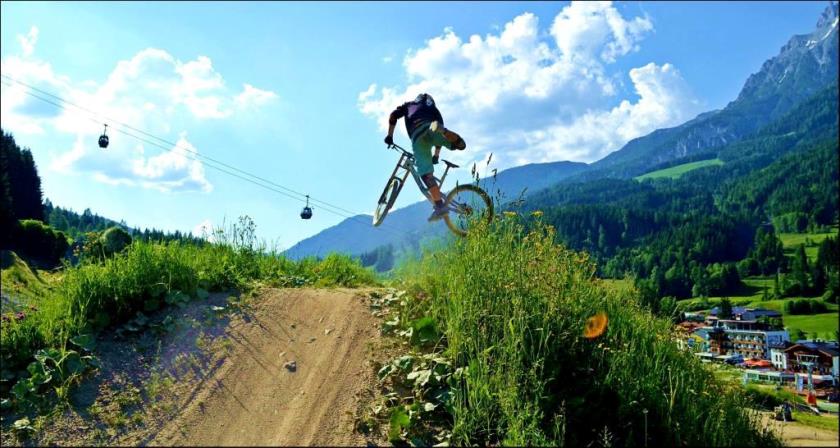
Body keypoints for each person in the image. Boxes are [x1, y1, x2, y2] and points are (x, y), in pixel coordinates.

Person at [384, 93, 466, 222]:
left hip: (418, 137)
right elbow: (439, 142)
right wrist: (436, 156)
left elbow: (393, 116)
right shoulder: (435, 111)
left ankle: (439, 205)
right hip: (432, 129)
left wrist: (389, 136)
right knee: (455, 142)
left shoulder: (409, 105)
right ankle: (456, 139)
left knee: (426, 174)